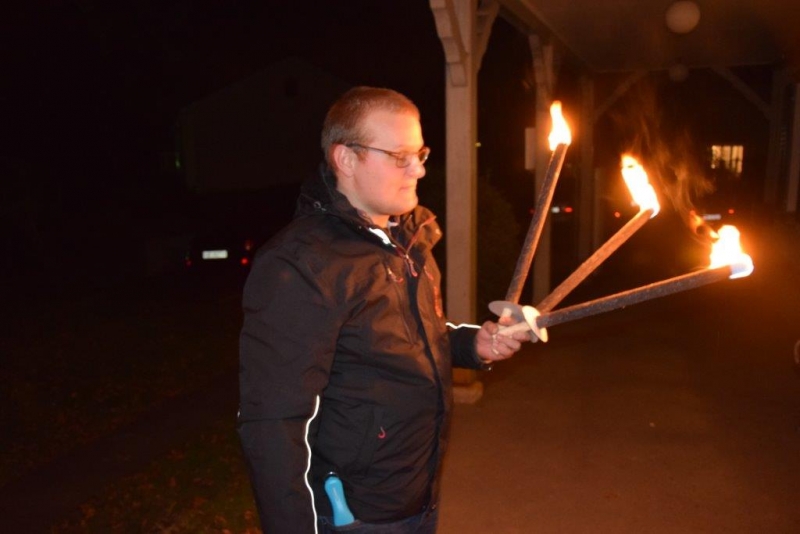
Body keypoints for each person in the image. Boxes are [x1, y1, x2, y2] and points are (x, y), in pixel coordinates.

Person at [237, 86, 530, 533]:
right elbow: (273, 422)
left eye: (420, 153)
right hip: (353, 515)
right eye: (399, 156)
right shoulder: (302, 264)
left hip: (417, 495)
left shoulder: (409, 239)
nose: (419, 169)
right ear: (346, 159)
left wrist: (475, 343)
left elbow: (413, 338)